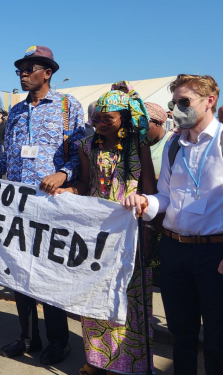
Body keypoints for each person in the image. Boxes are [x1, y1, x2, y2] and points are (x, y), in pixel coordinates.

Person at [0, 45, 85, 365]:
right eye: (19, 68)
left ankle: (58, 341)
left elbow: (81, 154)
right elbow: (6, 158)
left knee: (49, 276)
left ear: (47, 72)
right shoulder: (17, 111)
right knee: (18, 274)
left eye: (30, 68)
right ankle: (28, 337)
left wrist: (63, 174)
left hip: (51, 206)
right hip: (18, 207)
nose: (22, 73)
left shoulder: (67, 106)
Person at [124, 74, 223, 375]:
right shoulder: (174, 146)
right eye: (174, 103)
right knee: (181, 335)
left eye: (185, 102)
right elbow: (165, 198)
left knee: (218, 339)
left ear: (210, 101)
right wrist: (145, 202)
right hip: (173, 251)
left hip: (216, 255)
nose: (176, 109)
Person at [54, 81, 157, 375]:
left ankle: (128, 365)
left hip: (131, 231)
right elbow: (86, 185)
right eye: (96, 118)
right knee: (96, 295)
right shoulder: (87, 146)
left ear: (123, 117)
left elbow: (150, 190)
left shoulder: (139, 145)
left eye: (106, 118)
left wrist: (147, 231)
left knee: (128, 298)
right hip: (98, 234)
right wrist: (71, 192)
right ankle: (97, 360)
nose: (99, 123)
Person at [145, 102, 173, 180]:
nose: (140, 129)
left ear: (157, 123)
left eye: (144, 124)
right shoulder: (139, 144)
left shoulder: (172, 141)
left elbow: (180, 179)